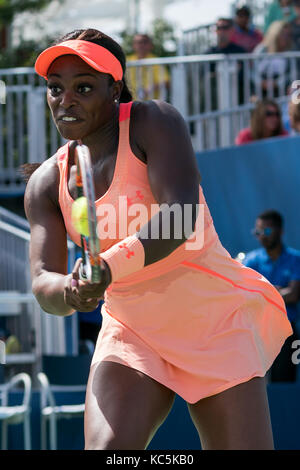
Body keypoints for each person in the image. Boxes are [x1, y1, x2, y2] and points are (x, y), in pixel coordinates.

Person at [24, 28, 292, 450]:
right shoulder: (45, 183)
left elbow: (181, 216)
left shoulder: (154, 121)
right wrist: (71, 291)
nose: (65, 100)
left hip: (214, 321)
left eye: (83, 87)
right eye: (55, 89)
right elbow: (43, 281)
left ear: (114, 91)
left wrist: (106, 266)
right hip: (132, 330)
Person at [243, 211, 300, 382]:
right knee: (255, 384)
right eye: (258, 232)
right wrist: (277, 291)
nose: (262, 236)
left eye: (267, 231)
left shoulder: (295, 259)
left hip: (286, 332)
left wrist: (263, 292)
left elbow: (293, 295)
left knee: (284, 384)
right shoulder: (251, 260)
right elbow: (245, 295)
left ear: (280, 231)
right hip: (255, 332)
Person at [253, 21, 293, 98]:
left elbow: (291, 74)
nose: (286, 38)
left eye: (288, 35)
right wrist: (260, 82)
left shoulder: (290, 53)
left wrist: (276, 83)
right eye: (283, 34)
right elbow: (252, 71)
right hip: (259, 91)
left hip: (281, 92)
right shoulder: (261, 50)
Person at [126, 33, 169, 100]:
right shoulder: (127, 61)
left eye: (144, 42)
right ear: (133, 45)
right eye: (138, 42)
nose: (141, 45)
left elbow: (166, 82)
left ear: (150, 45)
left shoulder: (156, 61)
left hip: (151, 105)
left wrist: (150, 88)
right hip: (130, 104)